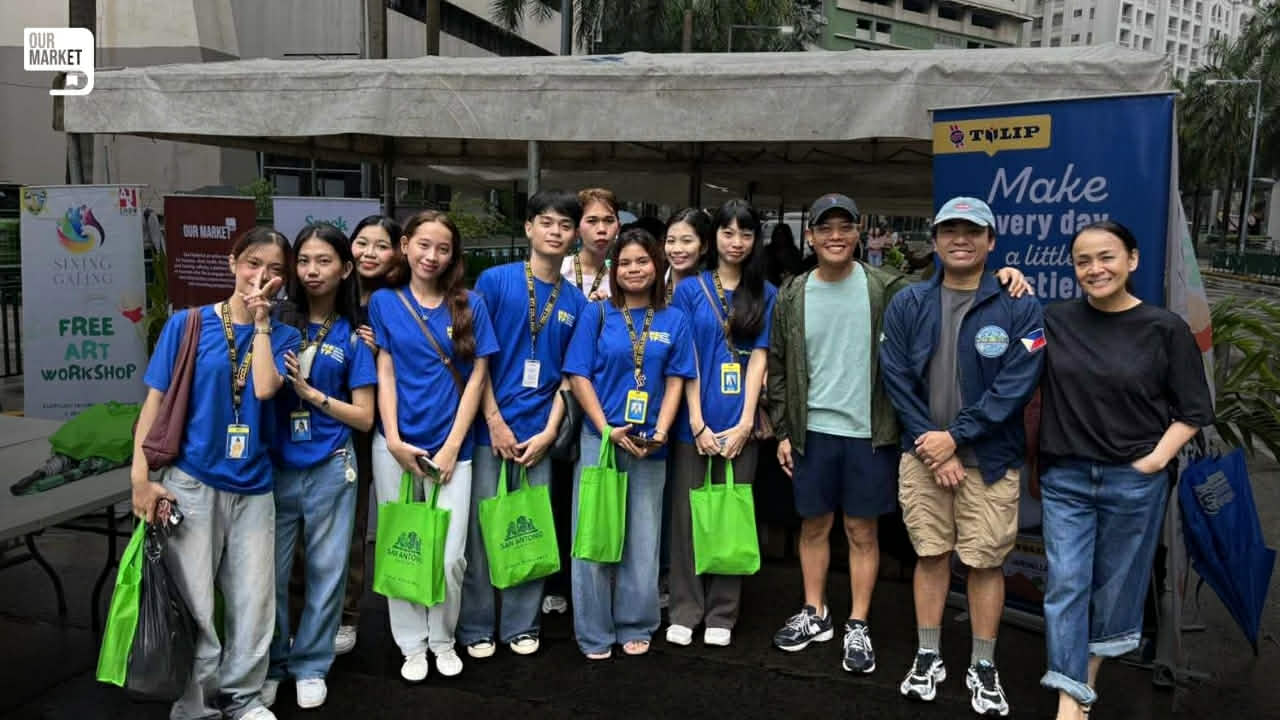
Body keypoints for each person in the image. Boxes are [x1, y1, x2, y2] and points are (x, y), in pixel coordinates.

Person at [768, 193, 1031, 675]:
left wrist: (1005, 276)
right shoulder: (792, 292)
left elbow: (956, 287)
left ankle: (858, 622)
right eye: (824, 228)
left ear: (859, 232)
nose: (835, 236)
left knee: (861, 530)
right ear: (810, 236)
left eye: (844, 227)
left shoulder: (887, 287)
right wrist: (784, 428)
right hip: (812, 429)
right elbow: (781, 365)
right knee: (814, 525)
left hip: (870, 431)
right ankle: (814, 611)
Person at [1037, 220, 1212, 720]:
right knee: (1066, 584)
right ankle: (1070, 701)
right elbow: (1013, 349)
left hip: (1133, 482)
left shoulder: (1165, 329)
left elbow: (1193, 410)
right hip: (1066, 478)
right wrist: (1007, 280)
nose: (1095, 269)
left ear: (1131, 260)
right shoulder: (1054, 320)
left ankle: (1081, 685)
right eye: (1083, 261)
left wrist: (1154, 461)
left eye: (1106, 257)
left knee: (1115, 589)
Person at [880, 197, 1044, 717]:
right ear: (934, 241)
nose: (960, 240)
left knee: (985, 563)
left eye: (972, 231)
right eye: (949, 230)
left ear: (991, 242)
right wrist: (935, 445)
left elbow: (1017, 384)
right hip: (924, 457)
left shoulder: (1019, 305)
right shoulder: (909, 302)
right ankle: (928, 656)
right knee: (930, 555)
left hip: (990, 462)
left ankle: (983, 665)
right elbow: (896, 379)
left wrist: (956, 437)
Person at [130, 227, 301, 720]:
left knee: (254, 601)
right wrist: (139, 478)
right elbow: (154, 403)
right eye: (253, 264)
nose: (261, 277)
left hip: (254, 485)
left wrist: (263, 323)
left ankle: (243, 697)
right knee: (195, 602)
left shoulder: (286, 336)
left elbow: (265, 388)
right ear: (232, 263)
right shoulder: (187, 324)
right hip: (191, 481)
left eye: (275, 271)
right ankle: (195, 703)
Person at [367, 210, 499, 682]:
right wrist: (393, 438)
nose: (432, 256)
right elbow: (385, 371)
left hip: (453, 449)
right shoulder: (384, 302)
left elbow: (478, 378)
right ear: (405, 246)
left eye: (443, 248)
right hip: (396, 446)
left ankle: (442, 638)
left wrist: (451, 446)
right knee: (402, 545)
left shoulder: (470, 304)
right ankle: (411, 644)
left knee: (450, 555)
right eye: (424, 245)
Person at [459, 190, 587, 659]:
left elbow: (570, 378)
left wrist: (550, 433)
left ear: (574, 237)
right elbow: (478, 359)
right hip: (488, 429)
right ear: (529, 227)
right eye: (546, 222)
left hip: (539, 433)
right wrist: (493, 420)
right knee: (480, 530)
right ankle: (476, 626)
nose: (555, 232)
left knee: (530, 528)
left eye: (565, 225)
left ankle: (521, 625)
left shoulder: (576, 301)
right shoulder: (495, 282)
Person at [563, 228, 697, 659]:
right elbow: (579, 374)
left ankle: (636, 622)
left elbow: (677, 378)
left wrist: (661, 430)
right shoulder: (597, 314)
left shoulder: (674, 319)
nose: (633, 270)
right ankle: (593, 631)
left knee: (643, 538)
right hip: (601, 441)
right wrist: (605, 428)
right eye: (624, 263)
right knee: (593, 536)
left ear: (656, 265)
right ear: (612, 269)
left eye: (642, 261)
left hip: (649, 445)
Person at [264, 223, 376, 710]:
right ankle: (272, 663)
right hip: (275, 466)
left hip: (331, 462)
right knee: (270, 574)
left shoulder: (355, 333)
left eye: (324, 261)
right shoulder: (272, 323)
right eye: (304, 260)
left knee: (328, 570)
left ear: (346, 268)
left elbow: (365, 416)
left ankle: (311, 663)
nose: (312, 270)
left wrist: (313, 396)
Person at [667, 200, 777, 647]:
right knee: (686, 517)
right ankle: (685, 608)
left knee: (732, 513)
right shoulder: (690, 289)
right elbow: (686, 358)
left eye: (746, 233)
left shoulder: (765, 293)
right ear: (714, 238)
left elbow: (760, 360)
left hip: (739, 424)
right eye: (728, 232)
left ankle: (722, 611)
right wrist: (696, 421)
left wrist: (747, 422)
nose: (737, 242)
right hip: (694, 423)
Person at [332, 214, 406, 655]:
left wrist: (381, 351)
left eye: (381, 245)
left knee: (386, 520)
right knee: (344, 522)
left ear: (398, 251)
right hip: (336, 421)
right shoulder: (333, 294)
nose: (370, 253)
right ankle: (332, 611)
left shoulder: (400, 298)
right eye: (362, 243)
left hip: (389, 424)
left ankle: (356, 612)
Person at [563, 187, 619, 301]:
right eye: (592, 221)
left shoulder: (621, 280)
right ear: (577, 228)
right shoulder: (559, 271)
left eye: (609, 220)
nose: (602, 229)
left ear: (618, 228)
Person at [765, 223, 804, 288]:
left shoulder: (793, 252)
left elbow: (798, 271)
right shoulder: (767, 251)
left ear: (787, 236)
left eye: (782, 234)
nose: (779, 237)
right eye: (777, 234)